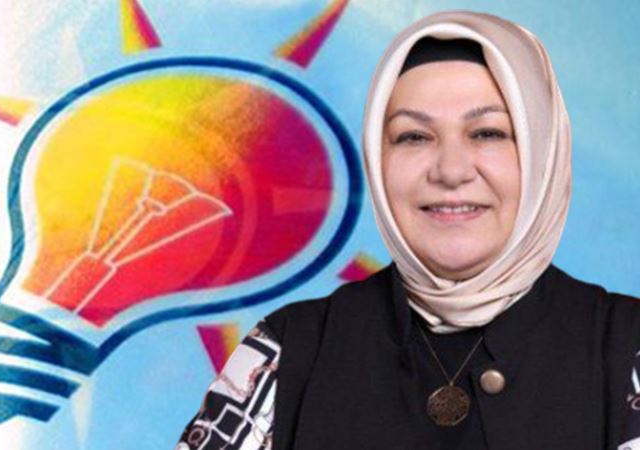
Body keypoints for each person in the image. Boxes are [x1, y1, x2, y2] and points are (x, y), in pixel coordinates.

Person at [176, 10, 640, 450]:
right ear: (378, 160)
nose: (451, 171)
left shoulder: (627, 350)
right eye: (414, 137)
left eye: (487, 133)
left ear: (544, 156)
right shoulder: (287, 351)